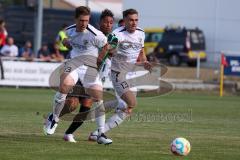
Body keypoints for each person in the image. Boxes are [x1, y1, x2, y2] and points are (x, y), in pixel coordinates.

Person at [43, 6, 113, 145]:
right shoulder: (69, 30)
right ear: (75, 19)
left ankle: (101, 133)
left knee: (98, 96)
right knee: (65, 86)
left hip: (89, 68)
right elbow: (67, 42)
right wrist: (66, 43)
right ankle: (54, 118)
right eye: (81, 20)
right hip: (74, 64)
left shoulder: (95, 34)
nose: (84, 24)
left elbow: (106, 46)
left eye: (86, 21)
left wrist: (99, 60)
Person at [62, 9, 125, 143]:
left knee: (86, 107)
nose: (108, 25)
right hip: (81, 73)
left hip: (95, 77)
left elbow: (113, 50)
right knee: (72, 105)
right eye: (105, 22)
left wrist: (111, 50)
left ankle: (69, 133)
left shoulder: (112, 39)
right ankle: (54, 116)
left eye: (111, 23)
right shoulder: (91, 34)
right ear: (100, 22)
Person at [89, 8, 152, 141]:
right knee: (130, 103)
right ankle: (99, 114)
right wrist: (101, 60)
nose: (134, 23)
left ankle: (97, 132)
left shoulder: (141, 33)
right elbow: (107, 49)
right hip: (118, 74)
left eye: (136, 20)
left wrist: (145, 61)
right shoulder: (117, 34)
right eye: (131, 20)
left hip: (132, 74)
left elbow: (141, 51)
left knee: (127, 110)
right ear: (125, 21)